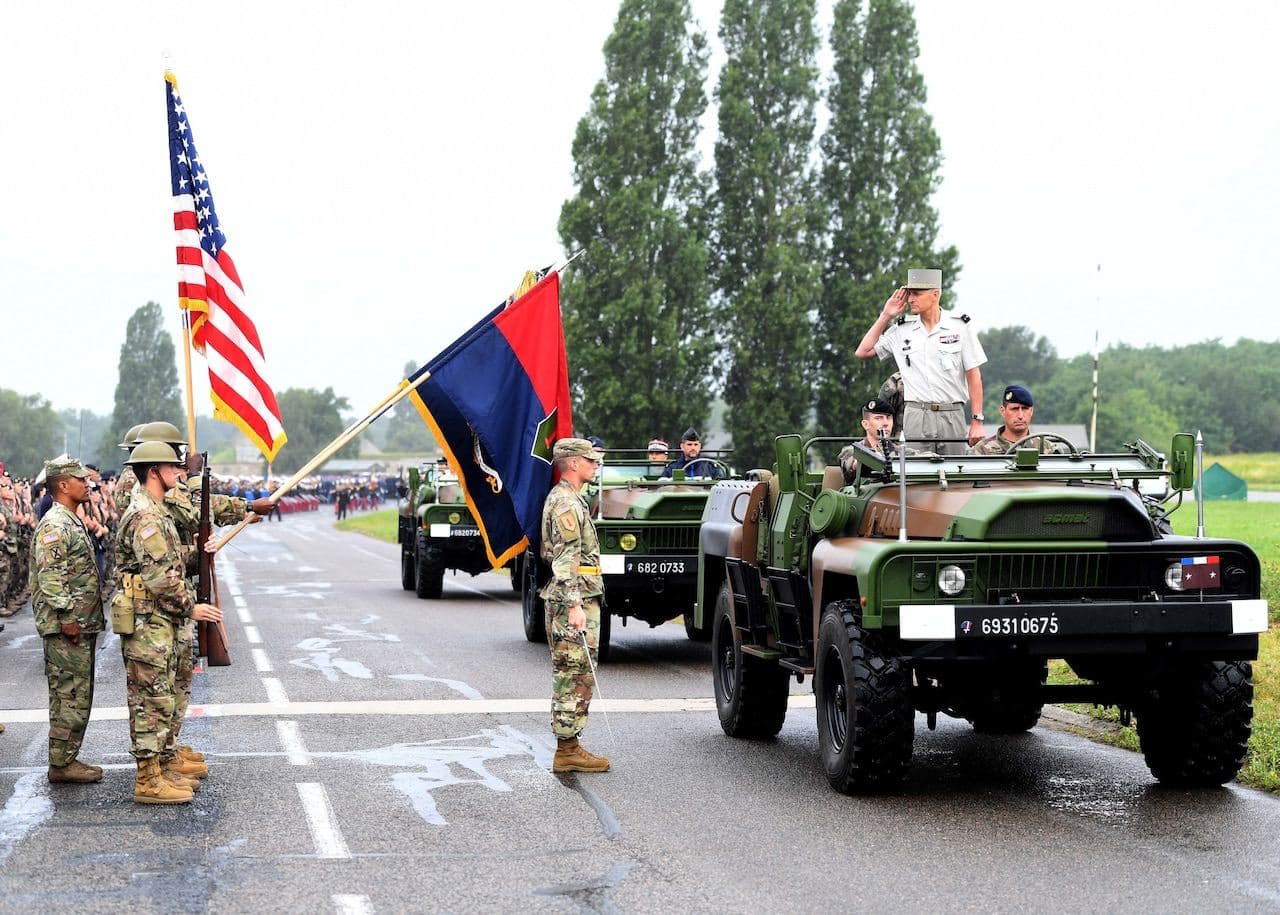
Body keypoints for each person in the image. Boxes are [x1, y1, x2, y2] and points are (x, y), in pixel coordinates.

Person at [115, 440, 222, 804]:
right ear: (153, 472)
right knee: (151, 699)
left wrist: (199, 554)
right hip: (149, 622)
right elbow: (160, 579)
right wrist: (192, 608)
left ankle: (161, 764)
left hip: (160, 620)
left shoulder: (157, 511)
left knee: (164, 695)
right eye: (173, 467)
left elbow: (171, 564)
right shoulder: (146, 516)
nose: (180, 472)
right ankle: (147, 779)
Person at [855, 269, 987, 454]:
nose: (910, 299)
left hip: (952, 414)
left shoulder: (959, 327)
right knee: (915, 476)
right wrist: (886, 315)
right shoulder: (902, 329)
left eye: (917, 294)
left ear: (935, 295)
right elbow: (863, 351)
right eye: (909, 294)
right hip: (916, 414)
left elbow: (974, 376)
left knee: (954, 473)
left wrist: (977, 421)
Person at [31, 458, 106, 784]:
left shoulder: (70, 520)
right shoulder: (56, 525)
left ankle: (66, 758)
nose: (87, 483)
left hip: (78, 622)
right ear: (62, 485)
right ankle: (61, 764)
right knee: (68, 695)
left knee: (77, 693)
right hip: (66, 626)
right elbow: (51, 577)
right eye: (80, 479)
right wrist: (66, 617)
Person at [540, 438, 609, 774]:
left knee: (578, 672)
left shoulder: (571, 498)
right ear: (572, 463)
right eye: (589, 460)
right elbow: (566, 559)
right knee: (573, 673)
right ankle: (566, 750)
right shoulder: (566, 503)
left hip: (578, 594)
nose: (594, 465)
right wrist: (574, 605)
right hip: (574, 598)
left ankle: (570, 745)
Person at [970, 384, 1070, 455]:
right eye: (1014, 409)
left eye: (1025, 409)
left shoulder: (1048, 449)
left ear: (1031, 411)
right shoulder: (982, 450)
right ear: (1002, 411)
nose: (1020, 415)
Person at [660, 428, 724, 479]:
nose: (693, 448)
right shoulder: (672, 467)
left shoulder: (710, 467)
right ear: (682, 446)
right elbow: (662, 487)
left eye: (696, 445)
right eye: (689, 444)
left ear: (700, 446)